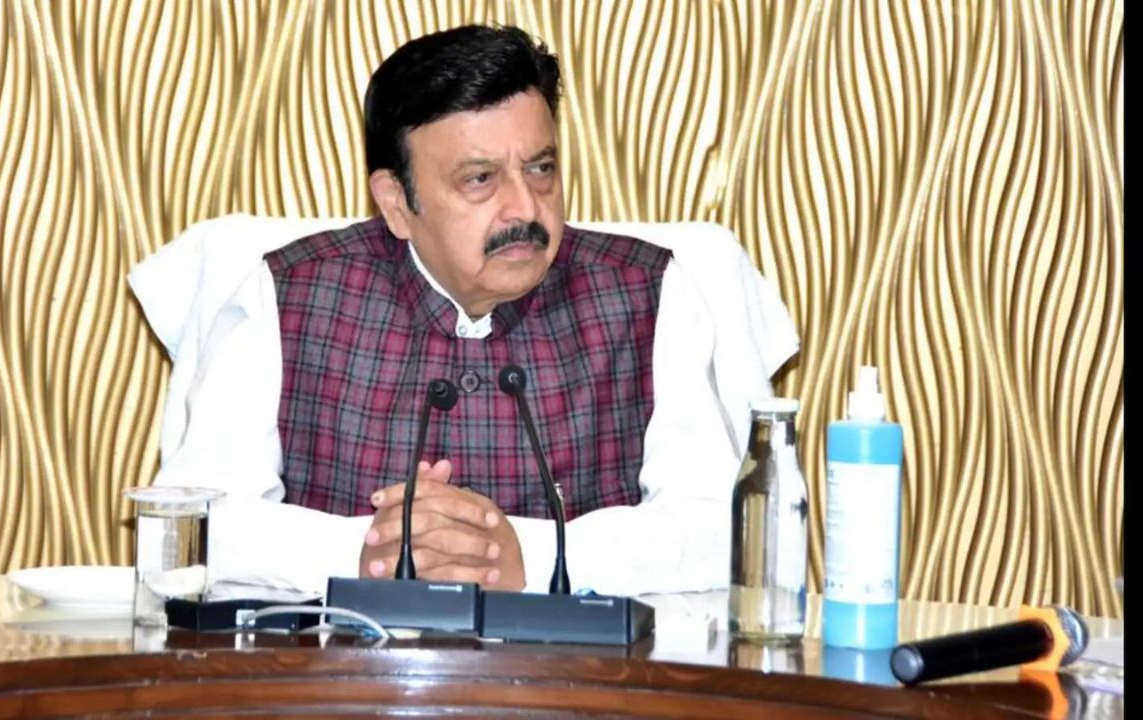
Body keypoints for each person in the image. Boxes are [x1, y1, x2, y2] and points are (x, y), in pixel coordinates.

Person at [133, 24, 798, 597]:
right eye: (480, 179)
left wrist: (526, 557)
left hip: (583, 685)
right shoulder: (287, 293)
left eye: (540, 169)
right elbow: (190, 525)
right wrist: (369, 552)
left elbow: (729, 533)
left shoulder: (650, 292)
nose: (525, 208)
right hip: (341, 682)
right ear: (396, 203)